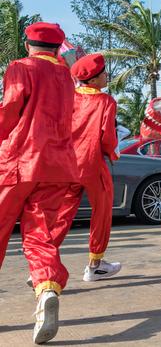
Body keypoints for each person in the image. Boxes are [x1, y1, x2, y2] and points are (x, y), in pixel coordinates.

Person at [0, 22, 78, 343]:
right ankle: (46, 289)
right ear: (57, 47)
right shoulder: (66, 76)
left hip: (19, 159)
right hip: (58, 164)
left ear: (27, 42)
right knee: (39, 235)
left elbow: (9, 110)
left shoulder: (21, 67)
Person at [49, 53, 123, 281]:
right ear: (93, 80)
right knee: (101, 212)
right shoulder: (106, 101)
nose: (107, 76)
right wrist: (113, 153)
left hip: (68, 165)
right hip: (92, 162)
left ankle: (44, 264)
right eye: (103, 73)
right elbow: (108, 138)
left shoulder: (68, 98)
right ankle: (95, 265)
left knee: (62, 215)